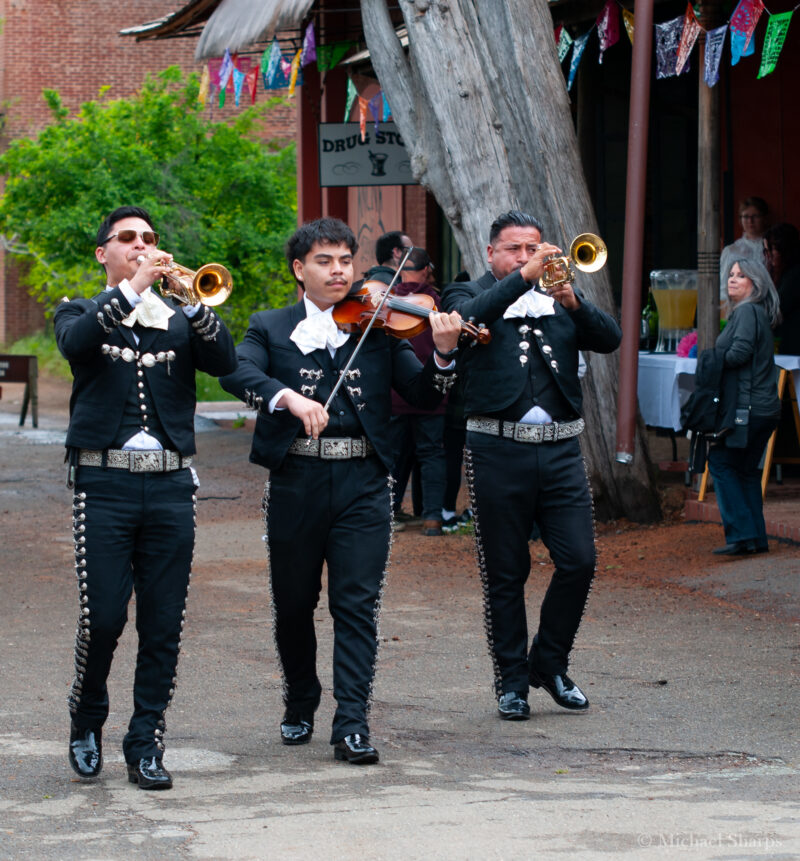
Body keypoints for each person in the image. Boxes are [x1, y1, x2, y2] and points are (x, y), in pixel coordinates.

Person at [219, 217, 462, 764]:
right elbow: (236, 372)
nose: (338, 271)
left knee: (357, 605)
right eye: (325, 261)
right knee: (294, 605)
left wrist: (443, 355)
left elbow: (423, 394)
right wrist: (286, 398)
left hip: (364, 484)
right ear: (299, 269)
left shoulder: (376, 327)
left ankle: (352, 721)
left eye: (345, 261)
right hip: (296, 482)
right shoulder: (271, 326)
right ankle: (301, 696)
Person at [54, 206, 237, 789]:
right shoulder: (79, 309)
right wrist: (132, 288)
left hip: (169, 485)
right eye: (127, 239)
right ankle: (87, 722)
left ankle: (146, 741)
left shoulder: (180, 318)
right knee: (104, 617)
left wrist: (194, 302)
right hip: (103, 484)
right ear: (102, 252)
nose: (141, 246)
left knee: (164, 623)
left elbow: (225, 360)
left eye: (150, 239)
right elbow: (79, 345)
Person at [441, 210, 622, 721]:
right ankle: (511, 682)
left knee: (580, 560)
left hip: (562, 449)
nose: (527, 258)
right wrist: (523, 279)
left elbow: (610, 338)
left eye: (534, 248)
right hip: (496, 451)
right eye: (515, 249)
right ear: (491, 253)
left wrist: (574, 300)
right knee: (505, 572)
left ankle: (548, 662)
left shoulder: (560, 296)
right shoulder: (462, 295)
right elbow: (473, 318)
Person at [708, 258, 782, 555]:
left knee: (721, 463)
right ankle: (756, 539)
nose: (733, 279)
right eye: (731, 274)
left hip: (749, 408)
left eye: (742, 275)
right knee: (746, 470)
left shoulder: (748, 311)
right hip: (763, 407)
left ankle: (741, 535)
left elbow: (739, 353)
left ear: (757, 283)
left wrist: (709, 360)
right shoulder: (754, 313)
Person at [388, 247, 449, 536]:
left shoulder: (386, 304)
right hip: (432, 394)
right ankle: (432, 518)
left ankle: (390, 509)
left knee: (394, 455)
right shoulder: (437, 304)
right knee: (432, 455)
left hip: (396, 396)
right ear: (426, 270)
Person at [719, 197, 769, 301]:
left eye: (755, 216)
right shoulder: (731, 251)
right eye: (746, 216)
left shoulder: (772, 248)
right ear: (740, 219)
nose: (750, 221)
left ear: (764, 218)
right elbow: (723, 286)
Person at [763, 223, 800, 355]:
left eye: (772, 249)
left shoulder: (795, 275)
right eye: (766, 251)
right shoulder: (782, 274)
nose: (769, 256)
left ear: (786, 249)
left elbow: (776, 310)